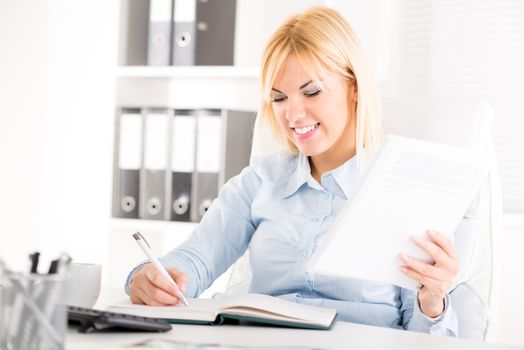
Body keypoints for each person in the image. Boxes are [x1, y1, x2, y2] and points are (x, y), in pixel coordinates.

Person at [126, 6, 463, 336]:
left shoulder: (400, 191)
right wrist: (148, 278)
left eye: (311, 91)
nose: (292, 113)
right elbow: (195, 258)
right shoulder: (260, 180)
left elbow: (425, 338)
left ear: (354, 86)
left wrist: (432, 298)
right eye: (279, 98)